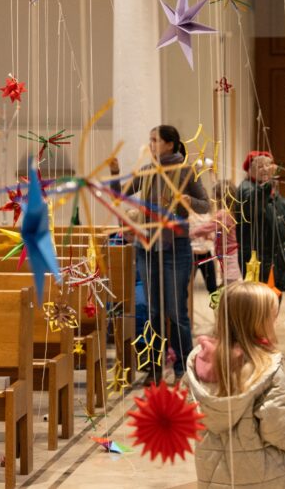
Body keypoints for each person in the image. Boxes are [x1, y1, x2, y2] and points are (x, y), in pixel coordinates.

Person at [186, 282, 285, 488]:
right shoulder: (267, 370)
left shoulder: (202, 367)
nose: (277, 322)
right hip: (269, 476)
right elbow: (278, 428)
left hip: (217, 477)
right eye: (273, 317)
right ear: (258, 323)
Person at [112, 125, 209, 384]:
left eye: (155, 140)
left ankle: (184, 367)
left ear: (170, 144)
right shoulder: (146, 172)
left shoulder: (186, 171)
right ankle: (154, 367)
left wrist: (187, 199)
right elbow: (119, 194)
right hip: (146, 249)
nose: (151, 145)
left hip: (175, 249)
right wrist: (114, 173)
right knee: (153, 311)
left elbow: (205, 204)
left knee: (176, 312)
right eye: (150, 140)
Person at [234, 151, 285, 295]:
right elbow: (254, 203)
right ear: (249, 170)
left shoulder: (267, 188)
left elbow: (284, 209)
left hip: (275, 259)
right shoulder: (246, 189)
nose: (266, 169)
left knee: (274, 298)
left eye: (268, 165)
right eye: (260, 166)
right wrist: (269, 182)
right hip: (257, 260)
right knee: (258, 301)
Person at [190, 180, 241, 286]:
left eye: (214, 195)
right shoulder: (231, 212)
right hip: (230, 256)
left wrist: (187, 235)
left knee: (229, 287)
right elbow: (223, 233)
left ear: (219, 197)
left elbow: (205, 228)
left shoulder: (223, 214)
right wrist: (212, 237)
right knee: (227, 286)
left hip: (230, 257)